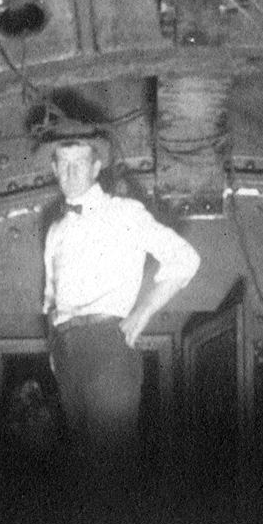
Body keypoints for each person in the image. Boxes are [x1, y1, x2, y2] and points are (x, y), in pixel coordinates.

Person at [39, 136, 199, 485]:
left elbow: (185, 259)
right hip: (67, 352)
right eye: (63, 163)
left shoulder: (125, 212)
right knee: (81, 467)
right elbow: (51, 297)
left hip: (108, 346)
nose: (70, 170)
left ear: (97, 167)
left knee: (110, 467)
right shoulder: (56, 229)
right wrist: (55, 349)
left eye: (79, 162)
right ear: (53, 169)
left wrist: (142, 313)